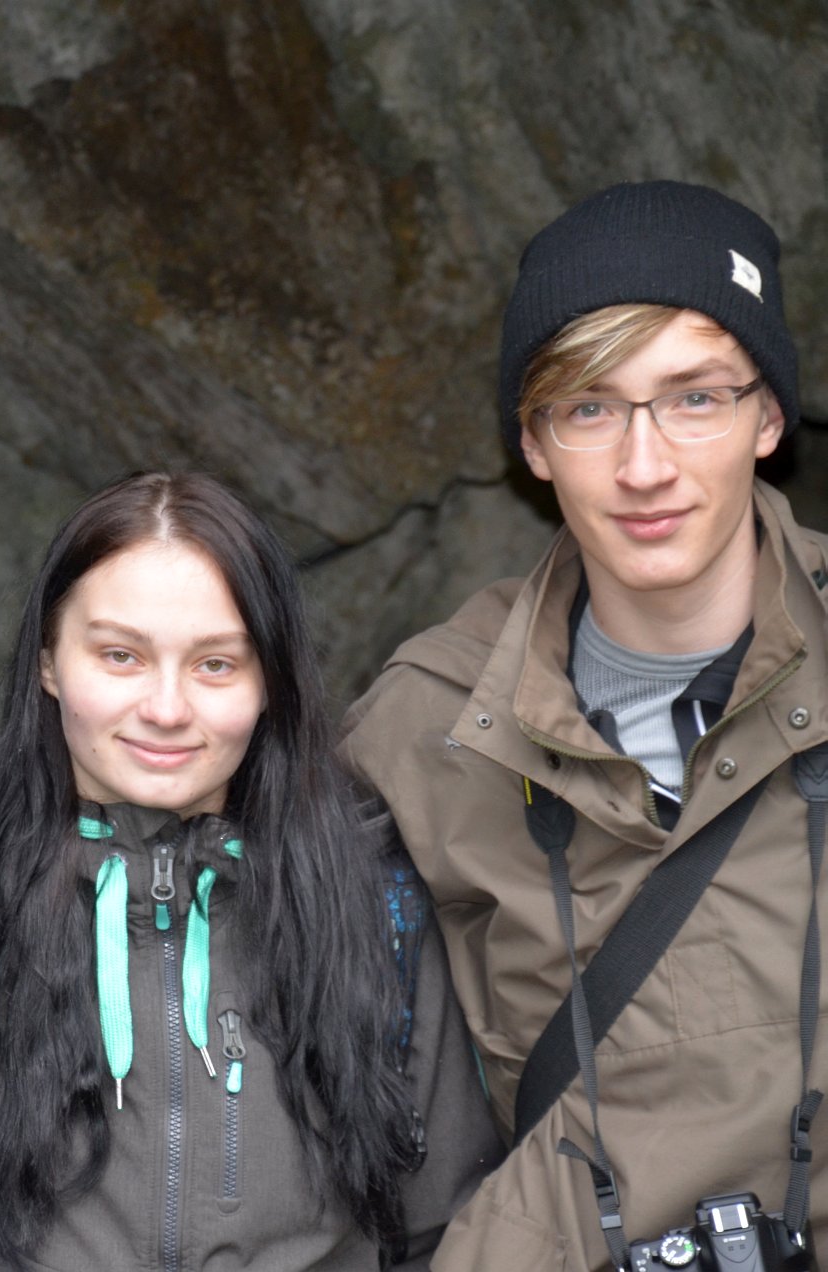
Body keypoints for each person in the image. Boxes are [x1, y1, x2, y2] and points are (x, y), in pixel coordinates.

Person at [344, 180, 827, 1269]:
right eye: (590, 408)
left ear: (768, 419)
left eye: (695, 397)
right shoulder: (427, 729)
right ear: (533, 443)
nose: (644, 467)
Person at [0, 472, 500, 1270]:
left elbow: (447, 1231)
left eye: (216, 665)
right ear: (49, 661)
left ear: (270, 683)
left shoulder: (377, 913)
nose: (166, 708)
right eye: (121, 655)